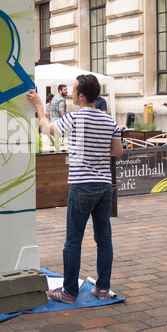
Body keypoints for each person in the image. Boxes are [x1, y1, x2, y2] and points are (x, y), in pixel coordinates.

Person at [27, 74, 123, 303]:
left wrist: (40, 106)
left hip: (83, 186)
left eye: (74, 90)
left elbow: (46, 129)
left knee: (73, 241)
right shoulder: (110, 121)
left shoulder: (75, 119)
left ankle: (69, 292)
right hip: (104, 186)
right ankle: (102, 288)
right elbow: (118, 151)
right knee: (104, 239)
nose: (70, 92)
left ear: (81, 96)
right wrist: (96, 150)